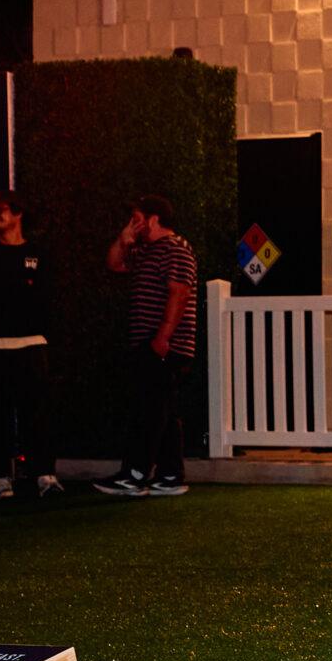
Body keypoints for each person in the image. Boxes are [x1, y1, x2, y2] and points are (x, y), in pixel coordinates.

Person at [97, 194, 198, 498]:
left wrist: (162, 338)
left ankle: (135, 475)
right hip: (150, 343)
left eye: (138, 217)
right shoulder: (146, 250)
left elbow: (179, 293)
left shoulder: (175, 248)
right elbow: (114, 264)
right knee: (162, 411)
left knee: (149, 412)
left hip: (165, 345)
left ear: (154, 219)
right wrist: (124, 238)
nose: (133, 223)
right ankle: (170, 475)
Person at [0, 190, 60, 499]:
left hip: (30, 346)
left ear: (18, 213)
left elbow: (49, 302)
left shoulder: (39, 254)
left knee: (37, 414)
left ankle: (44, 475)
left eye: (1, 209)